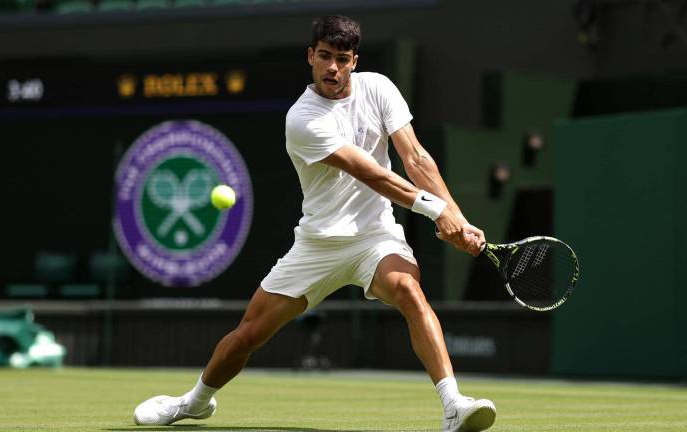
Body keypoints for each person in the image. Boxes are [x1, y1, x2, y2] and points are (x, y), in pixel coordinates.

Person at [133, 14, 496, 432]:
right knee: (249, 334)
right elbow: (371, 173)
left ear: (354, 60)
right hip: (318, 244)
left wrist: (459, 218)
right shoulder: (302, 119)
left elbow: (416, 158)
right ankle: (193, 402)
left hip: (375, 237)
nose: (332, 68)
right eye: (324, 57)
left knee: (410, 291)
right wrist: (436, 211)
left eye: (342, 59)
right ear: (310, 56)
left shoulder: (379, 89)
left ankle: (454, 405)